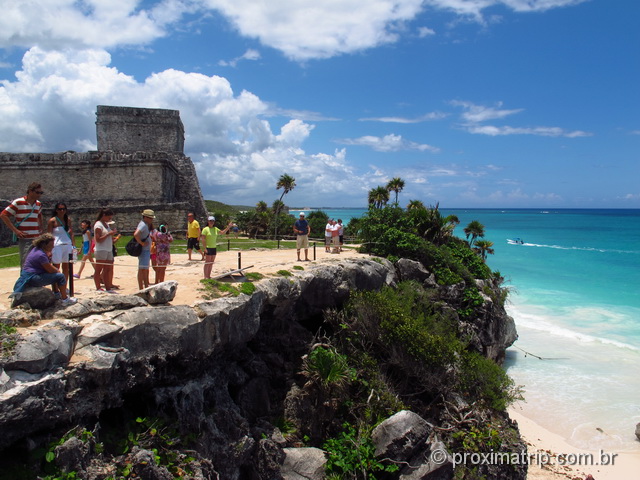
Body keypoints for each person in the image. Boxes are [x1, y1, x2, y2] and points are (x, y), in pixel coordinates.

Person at [12, 233, 76, 305]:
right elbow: (50, 270)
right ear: (44, 244)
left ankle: (57, 293)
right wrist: (57, 270)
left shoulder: (35, 249)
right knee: (60, 276)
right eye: (51, 244)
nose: (53, 246)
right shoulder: (41, 255)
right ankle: (65, 299)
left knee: (54, 275)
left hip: (29, 275)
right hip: (33, 277)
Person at [1, 182, 45, 269]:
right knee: (25, 262)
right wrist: (15, 230)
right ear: (30, 191)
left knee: (37, 261)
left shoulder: (38, 204)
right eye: (37, 192)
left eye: (41, 193)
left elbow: (39, 215)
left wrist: (41, 227)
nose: (39, 195)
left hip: (37, 237)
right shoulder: (18, 202)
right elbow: (3, 215)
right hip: (25, 237)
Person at [47, 203, 75, 294]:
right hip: (57, 245)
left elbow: (71, 233)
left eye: (63, 209)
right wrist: (48, 249)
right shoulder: (52, 221)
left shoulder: (68, 220)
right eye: (60, 209)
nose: (62, 211)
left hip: (67, 244)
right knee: (56, 267)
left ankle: (63, 286)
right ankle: (55, 288)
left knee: (66, 267)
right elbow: (49, 235)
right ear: (56, 210)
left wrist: (73, 246)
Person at [93, 208, 118, 293]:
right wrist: (108, 234)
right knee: (98, 269)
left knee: (107, 269)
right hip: (101, 249)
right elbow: (98, 239)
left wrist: (112, 236)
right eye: (109, 218)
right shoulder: (98, 225)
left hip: (108, 249)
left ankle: (108, 287)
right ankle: (98, 287)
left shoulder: (106, 224)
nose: (110, 219)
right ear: (104, 215)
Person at [134, 209, 155, 290]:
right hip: (144, 250)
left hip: (146, 250)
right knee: (142, 269)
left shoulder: (144, 224)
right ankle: (142, 287)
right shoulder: (143, 225)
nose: (152, 220)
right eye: (150, 218)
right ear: (145, 217)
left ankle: (145, 286)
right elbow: (136, 234)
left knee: (145, 269)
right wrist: (142, 243)